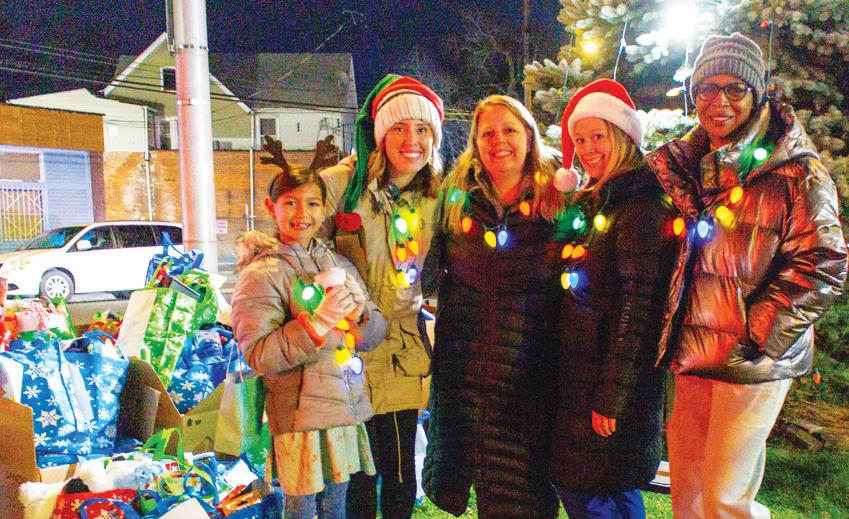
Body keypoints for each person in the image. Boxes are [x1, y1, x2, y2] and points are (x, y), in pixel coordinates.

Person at [647, 32, 847, 518]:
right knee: (688, 493)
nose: (719, 101)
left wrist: (757, 331)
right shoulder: (689, 165)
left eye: (734, 88)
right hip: (695, 352)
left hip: (751, 360)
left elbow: (825, 261)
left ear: (757, 94)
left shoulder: (796, 172)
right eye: (707, 88)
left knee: (725, 499)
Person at [421, 95, 564, 518]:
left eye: (509, 130)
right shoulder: (455, 197)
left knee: (524, 495)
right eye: (488, 133)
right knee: (481, 485)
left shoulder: (559, 197)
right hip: (465, 369)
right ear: (475, 141)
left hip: (530, 374)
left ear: (529, 137)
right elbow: (426, 275)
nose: (499, 141)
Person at [231, 144, 388, 519]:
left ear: (325, 207)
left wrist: (361, 316)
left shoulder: (337, 262)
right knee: (301, 507)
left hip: (342, 409)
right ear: (271, 208)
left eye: (313, 203)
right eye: (290, 203)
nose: (302, 214)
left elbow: (373, 335)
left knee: (336, 506)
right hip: (298, 418)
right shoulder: (261, 275)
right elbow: (260, 354)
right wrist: (315, 324)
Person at [548, 79, 677, 518]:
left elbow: (640, 310)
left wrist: (612, 396)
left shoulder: (640, 206)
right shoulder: (600, 202)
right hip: (586, 374)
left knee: (586, 489)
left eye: (597, 136)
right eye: (580, 139)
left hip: (608, 383)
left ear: (623, 136)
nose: (587, 149)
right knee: (611, 491)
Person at [319, 74, 443, 519]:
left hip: (401, 354)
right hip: (347, 352)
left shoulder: (438, 195)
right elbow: (303, 250)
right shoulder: (340, 185)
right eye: (399, 128)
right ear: (379, 135)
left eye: (422, 129)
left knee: (400, 474)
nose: (412, 140)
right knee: (356, 475)